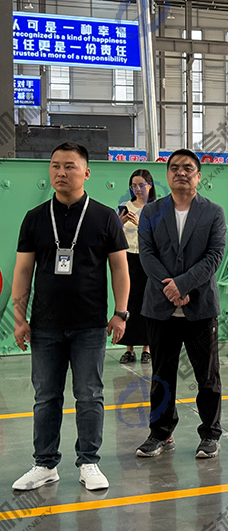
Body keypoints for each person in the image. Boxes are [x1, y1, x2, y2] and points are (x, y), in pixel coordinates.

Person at [12, 142, 129, 492]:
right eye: (55, 166)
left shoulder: (105, 217)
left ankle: (89, 462)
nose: (61, 172)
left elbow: (120, 269)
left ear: (86, 173)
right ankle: (44, 464)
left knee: (89, 395)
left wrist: (120, 313)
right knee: (46, 396)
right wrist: (20, 318)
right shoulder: (35, 217)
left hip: (90, 325)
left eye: (69, 166)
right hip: (44, 325)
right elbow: (23, 271)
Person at [135, 149, 226, 460]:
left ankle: (210, 434)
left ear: (199, 176)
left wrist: (184, 285)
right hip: (160, 308)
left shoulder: (213, 212)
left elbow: (214, 256)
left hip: (200, 307)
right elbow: (147, 254)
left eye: (188, 168)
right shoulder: (151, 212)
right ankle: (160, 433)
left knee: (207, 376)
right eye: (174, 168)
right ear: (167, 175)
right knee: (162, 375)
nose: (181, 173)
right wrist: (171, 289)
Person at [118, 169, 156, 365]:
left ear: (150, 185)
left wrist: (141, 224)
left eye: (141, 185)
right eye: (134, 186)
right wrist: (121, 222)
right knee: (128, 302)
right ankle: (129, 349)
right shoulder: (124, 207)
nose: (138, 189)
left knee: (147, 303)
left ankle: (147, 348)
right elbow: (113, 233)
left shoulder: (156, 208)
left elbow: (159, 236)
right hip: (128, 258)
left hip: (147, 259)